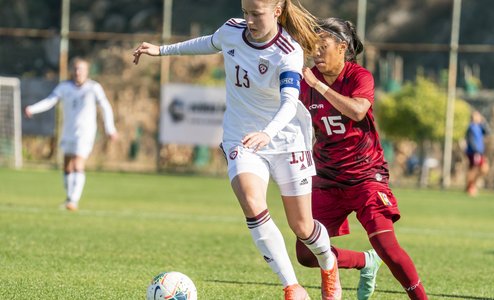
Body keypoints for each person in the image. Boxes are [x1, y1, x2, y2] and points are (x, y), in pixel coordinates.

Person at [132, 1, 341, 299]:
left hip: (285, 138)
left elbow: (288, 102)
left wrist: (267, 133)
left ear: (277, 11)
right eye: (246, 12)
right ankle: (292, 286)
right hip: (241, 137)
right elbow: (208, 43)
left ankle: (328, 262)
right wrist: (162, 50)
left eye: (257, 14)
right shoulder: (232, 30)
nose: (249, 20)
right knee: (252, 202)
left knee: (302, 226)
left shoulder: (288, 51)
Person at [296, 18, 428, 300]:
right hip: (327, 179)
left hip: (366, 176)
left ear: (342, 47)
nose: (316, 53)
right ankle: (365, 262)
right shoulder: (304, 83)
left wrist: (319, 87)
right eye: (313, 47)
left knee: (387, 247)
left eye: (323, 46)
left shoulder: (358, 76)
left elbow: (357, 111)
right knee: (306, 254)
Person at [24, 57, 118, 211]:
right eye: (75, 69)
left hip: (85, 132)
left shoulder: (94, 88)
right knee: (67, 165)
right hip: (68, 131)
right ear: (71, 71)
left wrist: (110, 128)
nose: (78, 72)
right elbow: (50, 100)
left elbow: (105, 107)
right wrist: (32, 109)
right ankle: (69, 198)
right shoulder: (64, 87)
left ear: (87, 71)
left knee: (78, 163)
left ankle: (73, 200)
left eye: (81, 69)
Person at [465, 110, 489, 196]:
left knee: (483, 169)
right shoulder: (471, 128)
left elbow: (488, 132)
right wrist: (476, 151)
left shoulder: (479, 127)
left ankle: (471, 185)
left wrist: (484, 122)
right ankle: (470, 187)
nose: (479, 118)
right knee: (474, 169)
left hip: (479, 152)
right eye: (477, 116)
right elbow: (470, 140)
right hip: (474, 152)